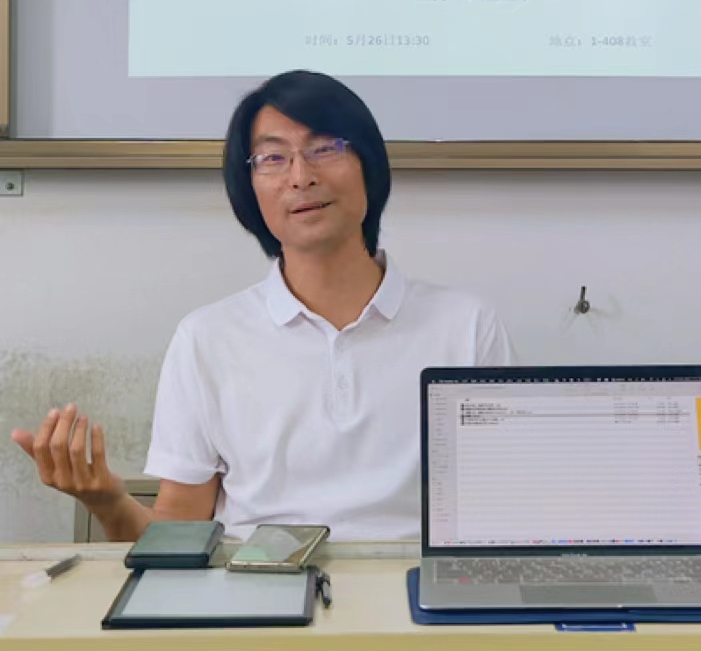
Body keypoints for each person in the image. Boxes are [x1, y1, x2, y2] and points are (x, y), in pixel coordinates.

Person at [12, 70, 514, 542]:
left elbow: (503, 514)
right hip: (254, 589)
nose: (301, 176)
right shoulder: (208, 338)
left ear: (369, 166)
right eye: (273, 158)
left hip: (411, 591)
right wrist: (106, 501)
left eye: (325, 148)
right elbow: (177, 539)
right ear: (249, 188)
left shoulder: (466, 326)